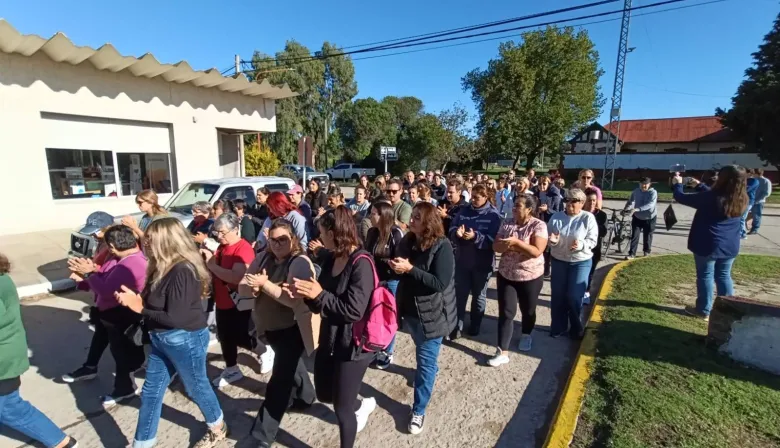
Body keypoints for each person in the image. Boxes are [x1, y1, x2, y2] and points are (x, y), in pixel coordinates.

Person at [115, 218, 228, 448]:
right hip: (161, 339)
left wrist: (140, 308)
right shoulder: (160, 265)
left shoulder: (182, 271)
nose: (145, 242)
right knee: (150, 393)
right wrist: (137, 299)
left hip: (183, 338)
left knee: (196, 387)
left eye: (150, 238)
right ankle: (143, 443)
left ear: (166, 241)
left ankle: (217, 425)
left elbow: (177, 317)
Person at [291, 207, 378, 448]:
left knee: (342, 409)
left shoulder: (361, 262)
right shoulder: (330, 258)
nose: (318, 238)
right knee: (324, 394)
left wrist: (319, 294)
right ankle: (360, 403)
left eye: (321, 233)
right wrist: (306, 293)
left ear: (334, 233)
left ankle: (352, 417)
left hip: (355, 345)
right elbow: (322, 302)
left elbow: (354, 310)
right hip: (330, 338)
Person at [239, 219, 319, 446]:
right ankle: (306, 397)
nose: (276, 244)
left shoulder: (299, 261)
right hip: (270, 328)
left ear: (293, 238)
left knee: (279, 383)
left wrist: (263, 284)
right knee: (292, 366)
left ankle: (262, 435)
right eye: (273, 239)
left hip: (292, 330)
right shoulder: (263, 257)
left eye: (282, 239)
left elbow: (291, 299)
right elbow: (242, 285)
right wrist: (252, 287)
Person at [0, 253, 80, 448]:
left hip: (3, 358)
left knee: (8, 407)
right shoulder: (3, 277)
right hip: (8, 349)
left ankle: (61, 442)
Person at [390, 202, 456, 435]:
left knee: (425, 363)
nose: (412, 219)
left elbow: (440, 283)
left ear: (428, 222)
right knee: (424, 355)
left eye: (417, 217)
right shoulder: (408, 241)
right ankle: (431, 371)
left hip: (432, 315)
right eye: (413, 216)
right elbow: (402, 268)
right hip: (410, 312)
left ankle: (418, 410)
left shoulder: (442, 246)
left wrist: (409, 270)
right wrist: (396, 267)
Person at [70, 226, 148, 407]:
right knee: (124, 351)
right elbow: (105, 278)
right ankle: (128, 376)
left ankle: (125, 389)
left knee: (122, 354)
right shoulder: (124, 259)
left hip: (121, 315)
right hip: (114, 313)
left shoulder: (130, 263)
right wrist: (87, 276)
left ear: (112, 246)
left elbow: (105, 290)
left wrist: (89, 274)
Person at [671, 166, 747, 320]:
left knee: (705, 276)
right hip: (730, 244)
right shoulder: (742, 197)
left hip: (708, 243)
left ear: (723, 179)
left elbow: (681, 197)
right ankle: (728, 311)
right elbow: (712, 195)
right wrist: (699, 185)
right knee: (724, 276)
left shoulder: (712, 198)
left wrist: (677, 184)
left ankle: (704, 310)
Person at [203, 213, 269, 387]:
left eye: (223, 232)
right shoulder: (222, 247)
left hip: (238, 301)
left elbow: (236, 277)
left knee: (243, 335)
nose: (219, 236)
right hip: (223, 300)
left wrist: (212, 266)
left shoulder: (243, 248)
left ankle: (264, 351)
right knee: (225, 336)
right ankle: (232, 369)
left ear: (235, 229)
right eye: (217, 232)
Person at [491, 195, 547, 365]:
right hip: (507, 274)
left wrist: (516, 243)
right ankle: (502, 351)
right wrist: (505, 245)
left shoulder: (539, 225)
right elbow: (496, 246)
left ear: (529, 209)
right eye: (514, 205)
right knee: (506, 312)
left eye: (518, 206)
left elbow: (537, 251)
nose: (514, 208)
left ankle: (526, 334)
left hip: (530, 275)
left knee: (528, 309)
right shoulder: (507, 222)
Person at [62, 213, 116, 383]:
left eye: (97, 231)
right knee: (102, 334)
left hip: (115, 301)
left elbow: (111, 274)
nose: (94, 235)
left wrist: (88, 273)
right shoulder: (101, 244)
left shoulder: (115, 247)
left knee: (120, 341)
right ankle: (91, 367)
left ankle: (128, 379)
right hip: (101, 297)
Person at [449, 184, 501, 337]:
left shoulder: (493, 215)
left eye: (477, 198)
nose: (473, 201)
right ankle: (457, 326)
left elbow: (495, 241)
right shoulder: (464, 211)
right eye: (472, 197)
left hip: (482, 263)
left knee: (479, 296)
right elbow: (452, 227)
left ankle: (475, 325)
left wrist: (476, 237)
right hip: (463, 261)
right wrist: (456, 234)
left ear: (486, 197)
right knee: (460, 295)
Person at [547, 189, 598, 339]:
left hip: (580, 261)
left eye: (573, 201)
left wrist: (581, 245)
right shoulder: (556, 217)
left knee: (574, 296)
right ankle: (558, 327)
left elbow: (592, 240)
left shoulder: (587, 218)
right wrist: (553, 242)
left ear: (582, 203)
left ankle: (576, 328)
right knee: (558, 295)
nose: (569, 204)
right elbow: (550, 238)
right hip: (559, 261)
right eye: (567, 200)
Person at [363, 202, 404, 370]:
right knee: (374, 315)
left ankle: (387, 351)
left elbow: (400, 260)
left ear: (383, 216)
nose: (371, 216)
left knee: (388, 316)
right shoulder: (372, 232)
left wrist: (385, 262)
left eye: (374, 213)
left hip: (391, 281)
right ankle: (374, 345)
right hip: (374, 280)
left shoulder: (395, 233)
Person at [583, 189, 607, 305]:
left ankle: (586, 292)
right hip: (580, 249)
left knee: (590, 272)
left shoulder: (601, 215)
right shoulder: (579, 213)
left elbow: (603, 232)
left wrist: (593, 227)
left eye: (594, 200)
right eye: (589, 200)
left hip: (594, 249)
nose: (592, 203)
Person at [625, 178, 658, 259]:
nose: (643, 186)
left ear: (649, 184)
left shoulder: (653, 192)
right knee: (634, 236)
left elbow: (650, 204)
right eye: (642, 184)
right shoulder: (636, 191)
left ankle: (646, 251)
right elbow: (630, 201)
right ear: (639, 184)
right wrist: (626, 208)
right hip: (637, 217)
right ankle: (632, 254)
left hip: (650, 217)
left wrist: (637, 209)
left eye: (645, 184)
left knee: (648, 235)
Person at [749, 168, 773, 235]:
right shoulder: (754, 180)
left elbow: (766, 193)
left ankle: (755, 228)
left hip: (759, 202)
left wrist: (757, 200)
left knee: (756, 215)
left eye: (753, 173)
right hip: (752, 200)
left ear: (757, 174)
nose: (752, 175)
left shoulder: (765, 181)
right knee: (751, 215)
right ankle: (749, 226)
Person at [741, 171, 760, 239]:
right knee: (740, 217)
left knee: (742, 218)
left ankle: (742, 234)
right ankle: (741, 233)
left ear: (750, 173)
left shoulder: (754, 181)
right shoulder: (744, 180)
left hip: (748, 201)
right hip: (742, 201)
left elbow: (746, 189)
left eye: (745, 173)